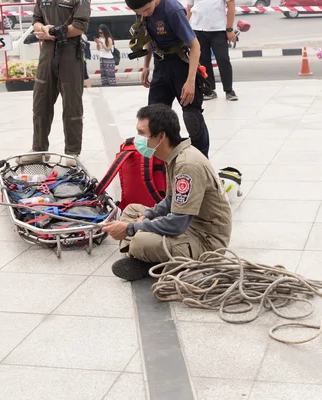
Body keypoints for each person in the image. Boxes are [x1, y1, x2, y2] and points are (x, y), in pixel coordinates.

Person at [102, 104, 232, 281]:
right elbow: (170, 200)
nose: (136, 139)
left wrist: (132, 228)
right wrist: (147, 215)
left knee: (140, 240)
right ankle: (145, 256)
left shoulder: (187, 165)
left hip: (206, 240)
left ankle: (144, 256)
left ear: (161, 136)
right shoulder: (173, 156)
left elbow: (177, 224)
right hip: (189, 226)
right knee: (132, 210)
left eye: (142, 134)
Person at [125, 0, 211, 158]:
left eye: (147, 9)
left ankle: (201, 162)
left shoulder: (172, 10)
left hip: (181, 66)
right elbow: (149, 38)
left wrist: (190, 81)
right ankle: (163, 164)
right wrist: (146, 65)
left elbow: (195, 45)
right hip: (161, 66)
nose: (145, 13)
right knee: (153, 120)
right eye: (140, 12)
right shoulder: (142, 10)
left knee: (192, 118)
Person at [19, 0, 91, 166]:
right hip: (47, 52)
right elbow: (36, 20)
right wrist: (42, 29)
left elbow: (80, 26)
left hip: (70, 53)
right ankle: (39, 149)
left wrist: (54, 32)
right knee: (40, 102)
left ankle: (72, 152)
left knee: (72, 104)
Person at [186, 0, 238, 101]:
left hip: (218, 30)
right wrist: (184, 29)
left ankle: (229, 90)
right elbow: (189, 9)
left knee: (223, 59)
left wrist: (229, 29)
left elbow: (231, 5)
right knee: (203, 62)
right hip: (198, 29)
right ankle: (209, 90)